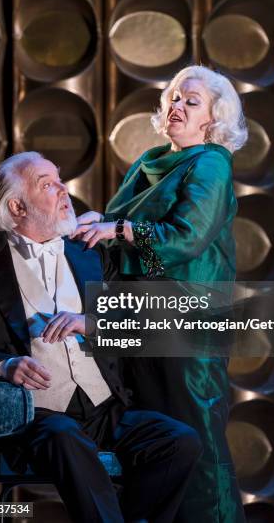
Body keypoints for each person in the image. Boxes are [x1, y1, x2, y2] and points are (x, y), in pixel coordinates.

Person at [0, 151, 203, 523]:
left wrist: (92, 321)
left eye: (61, 179)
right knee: (64, 435)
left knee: (179, 441)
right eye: (47, 184)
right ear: (17, 205)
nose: (64, 190)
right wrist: (3, 365)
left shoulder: (89, 254)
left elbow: (150, 301)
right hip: (32, 416)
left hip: (104, 407)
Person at [74, 65, 248, 522]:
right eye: (174, 96)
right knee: (158, 438)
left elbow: (186, 238)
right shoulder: (148, 160)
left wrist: (121, 230)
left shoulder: (210, 161)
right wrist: (101, 224)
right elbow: (134, 239)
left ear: (212, 119)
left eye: (192, 102)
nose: (177, 106)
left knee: (195, 437)